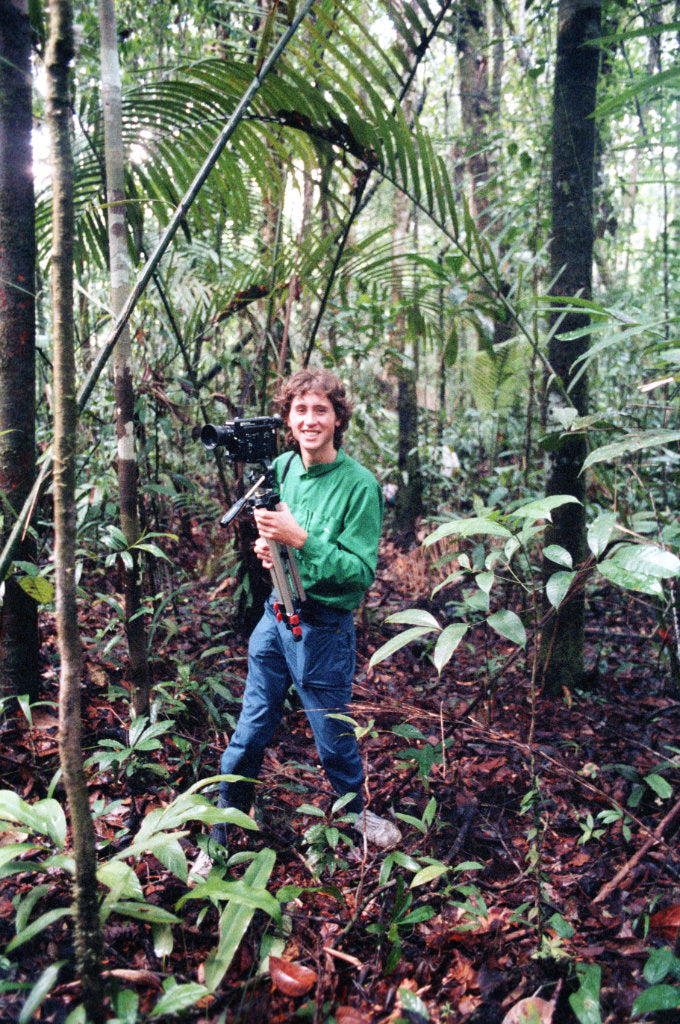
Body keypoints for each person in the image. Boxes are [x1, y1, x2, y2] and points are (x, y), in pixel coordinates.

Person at [190, 368, 401, 881]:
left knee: (331, 734)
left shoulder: (359, 485)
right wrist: (270, 548)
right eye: (300, 410)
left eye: (320, 410)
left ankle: (354, 813)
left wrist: (300, 540)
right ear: (287, 418)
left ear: (337, 418)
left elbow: (359, 576)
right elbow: (274, 540)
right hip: (275, 618)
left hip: (324, 627)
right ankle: (221, 831)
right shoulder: (281, 466)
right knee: (250, 729)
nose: (310, 420)